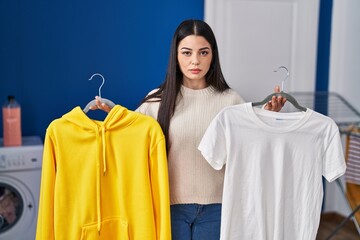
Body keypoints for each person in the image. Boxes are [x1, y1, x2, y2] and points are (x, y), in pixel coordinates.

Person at [92, 19, 285, 240]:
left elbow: (252, 147)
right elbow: (129, 135)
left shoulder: (231, 100)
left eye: (203, 53)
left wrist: (269, 117)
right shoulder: (157, 101)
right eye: (186, 53)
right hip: (169, 207)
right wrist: (114, 114)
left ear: (213, 56)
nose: (195, 61)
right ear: (175, 55)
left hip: (218, 208)